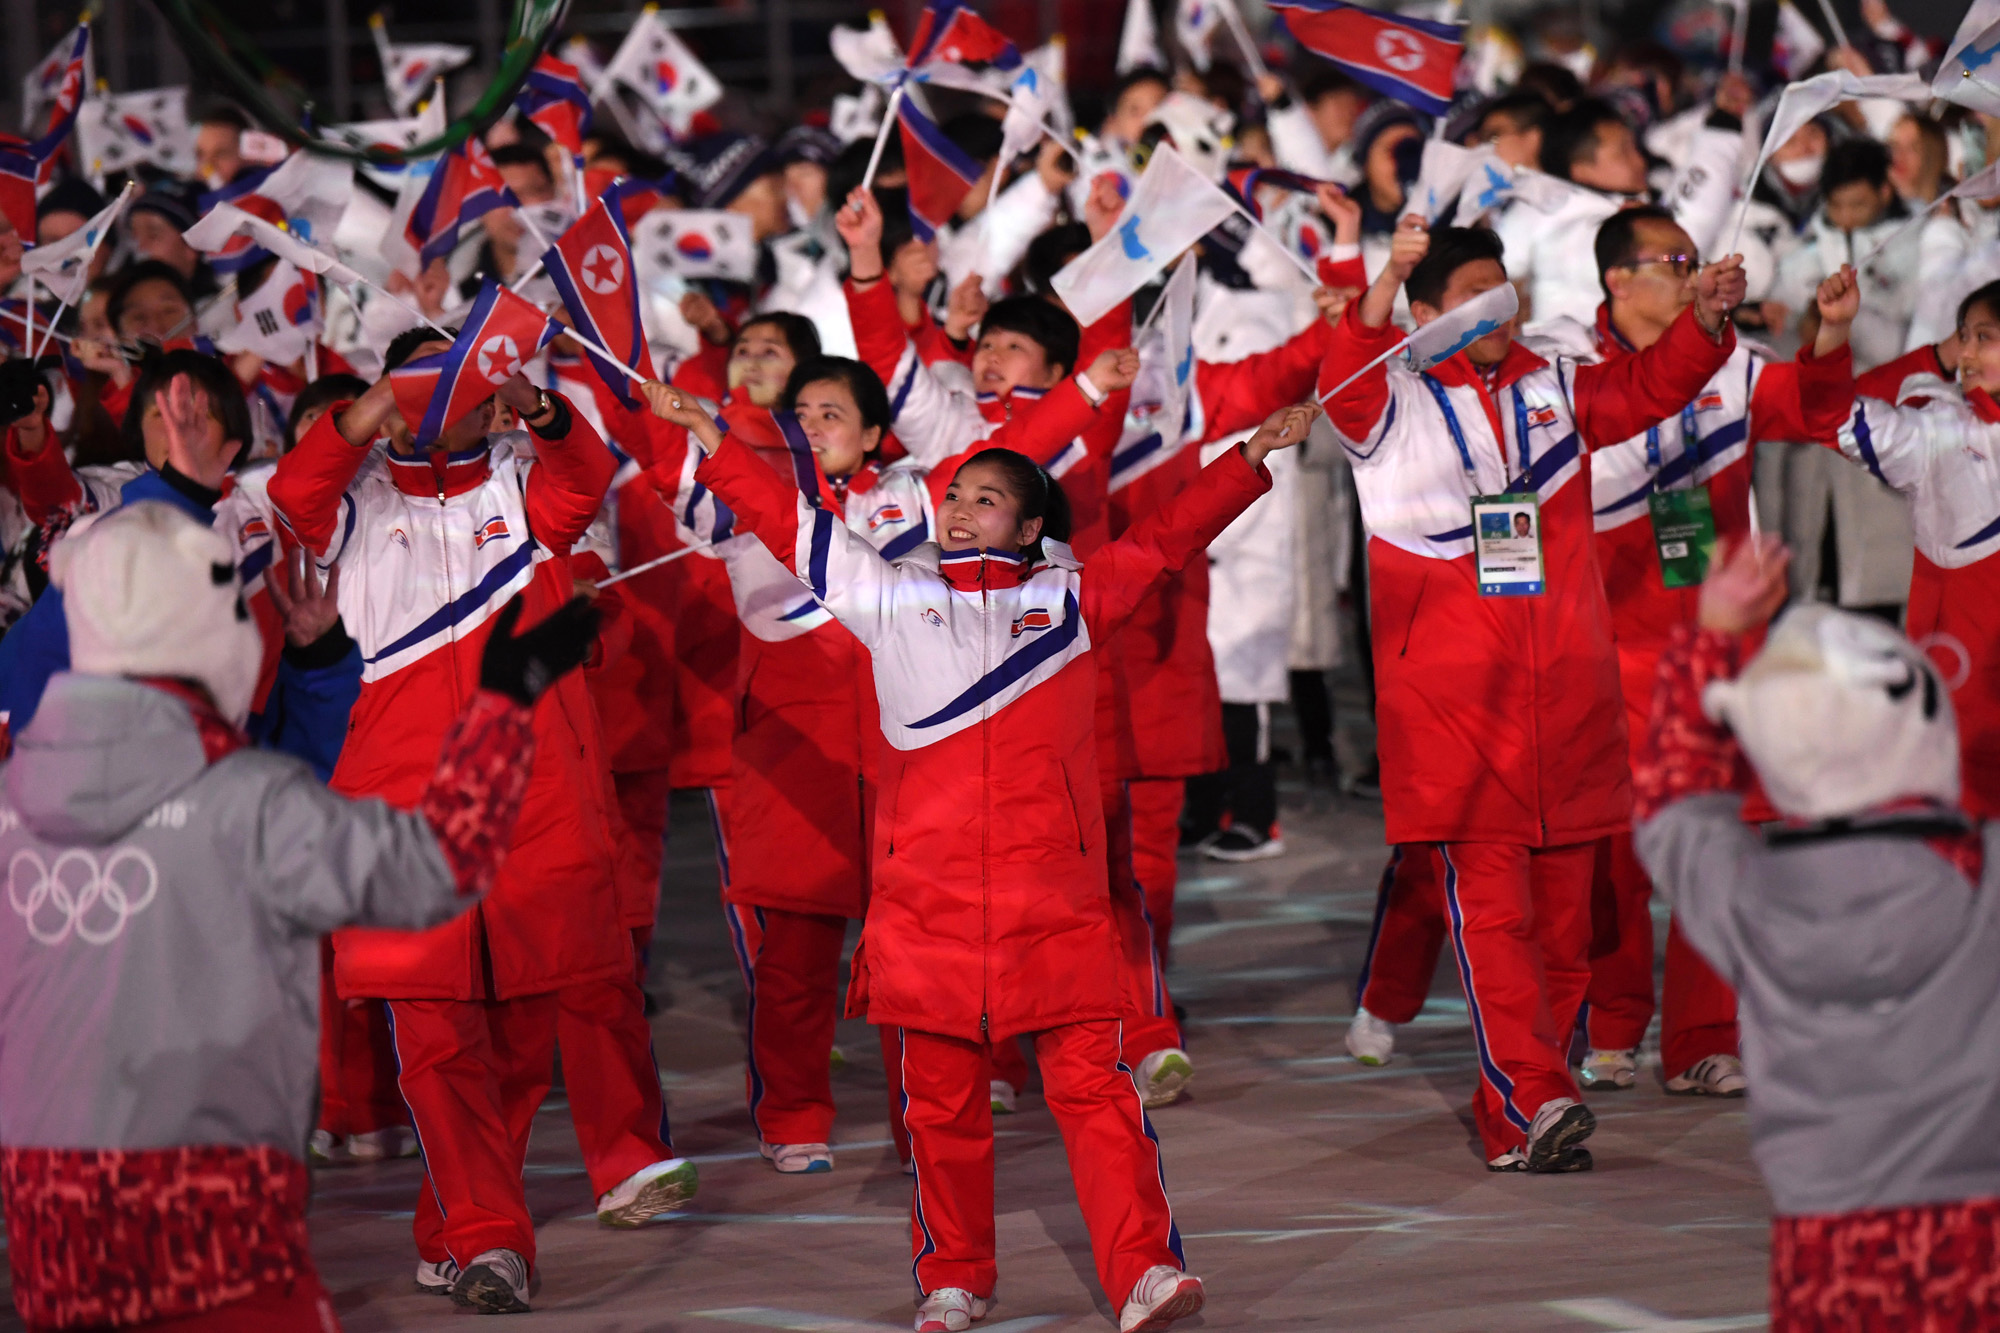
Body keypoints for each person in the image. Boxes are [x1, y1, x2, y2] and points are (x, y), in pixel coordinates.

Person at [678, 375, 1319, 1333]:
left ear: (1029, 531)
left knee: (1095, 1096)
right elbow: (786, 517)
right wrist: (712, 441)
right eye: (955, 493)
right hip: (924, 907)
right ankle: (956, 1277)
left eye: (987, 497)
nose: (959, 506)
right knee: (939, 1110)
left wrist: (1251, 455)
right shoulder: (889, 595)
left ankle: (1144, 1271)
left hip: (1049, 904)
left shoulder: (1071, 601)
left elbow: (1168, 536)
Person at [0, 499, 597, 1333]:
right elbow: (436, 865)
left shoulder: (17, 791)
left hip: (52, 1221)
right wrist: (504, 703)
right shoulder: (238, 797)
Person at [268, 327, 692, 1311]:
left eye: (455, 384)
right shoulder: (352, 501)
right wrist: (372, 405)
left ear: (494, 402)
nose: (432, 401)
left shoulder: (519, 484)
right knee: (436, 1037)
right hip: (399, 810)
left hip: (531, 801)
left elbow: (580, 484)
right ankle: (492, 1242)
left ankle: (456, 1225)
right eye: (418, 384)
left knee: (518, 1038)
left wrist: (541, 407)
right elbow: (292, 496)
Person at [1317, 218, 1745, 1170]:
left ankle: (1522, 1116)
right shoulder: (1388, 405)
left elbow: (1645, 388)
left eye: (1500, 287)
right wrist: (1380, 277)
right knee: (1498, 923)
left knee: (1564, 934)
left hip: (1570, 704)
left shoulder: (1553, 385)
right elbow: (1341, 368)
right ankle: (1537, 1092)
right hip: (1460, 714)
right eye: (1469, 292)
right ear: (1425, 314)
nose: (1494, 306)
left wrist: (1705, 325)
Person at [1632, 534, 2000, 1331]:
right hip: (1983, 1234)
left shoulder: (1752, 897)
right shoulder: (1983, 876)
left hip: (1826, 1248)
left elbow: (1673, 805)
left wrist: (1710, 636)